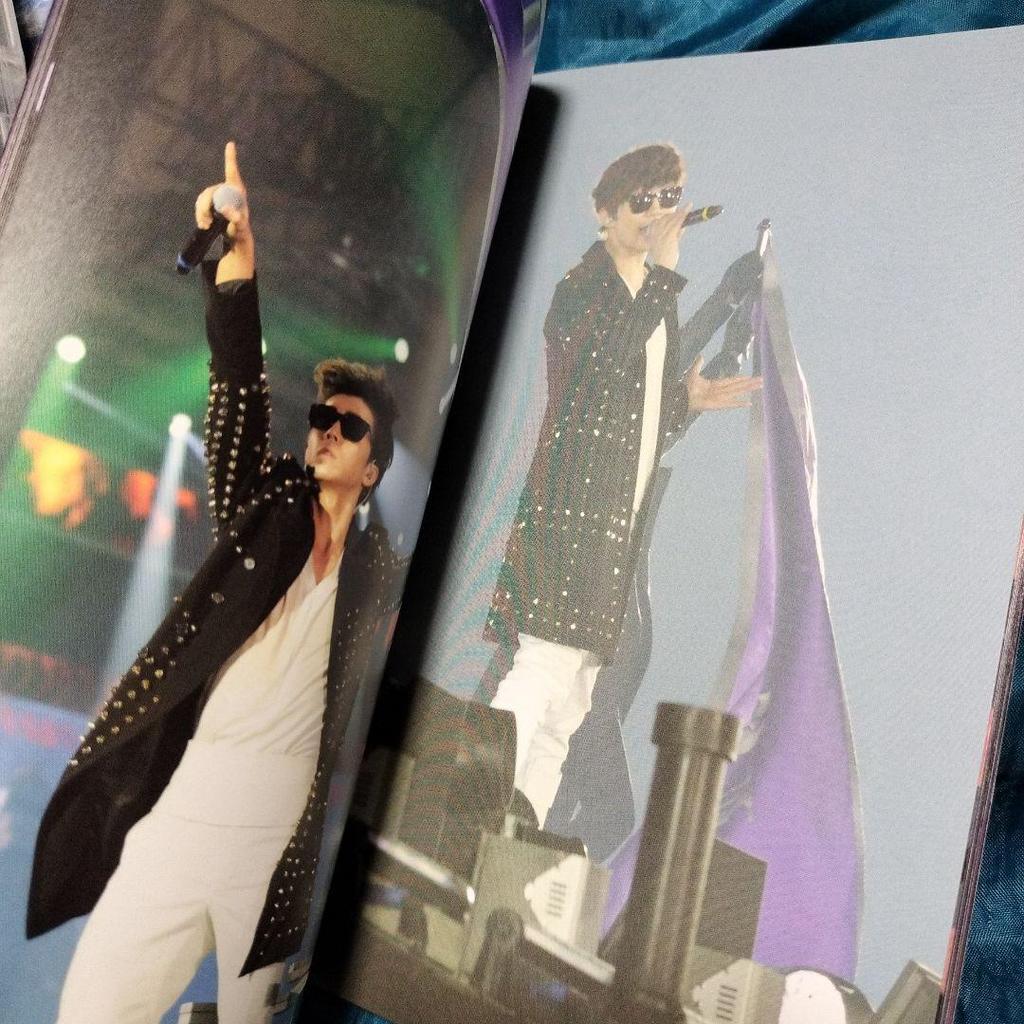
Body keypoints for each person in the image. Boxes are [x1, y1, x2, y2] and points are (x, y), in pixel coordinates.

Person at [27, 142, 405, 1024]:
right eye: (320, 418)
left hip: (279, 850)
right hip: (190, 808)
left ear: (376, 467)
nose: (324, 431)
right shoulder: (264, 511)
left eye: (347, 427)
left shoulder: (381, 573)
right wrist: (237, 266)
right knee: (91, 1012)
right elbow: (237, 385)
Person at [485, 143, 761, 827]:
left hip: (613, 530)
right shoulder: (584, 287)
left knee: (573, 699)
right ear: (604, 214)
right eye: (642, 201)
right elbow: (602, 368)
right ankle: (479, 797)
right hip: (568, 519)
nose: (658, 212)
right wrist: (665, 273)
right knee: (544, 667)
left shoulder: (652, 304)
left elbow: (637, 421)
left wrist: (685, 403)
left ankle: (516, 828)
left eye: (668, 197)